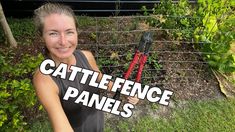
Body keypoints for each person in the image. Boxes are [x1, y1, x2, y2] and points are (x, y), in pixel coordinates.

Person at [32, 3, 139, 132]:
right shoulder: (44, 78)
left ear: (77, 32)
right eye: (53, 33)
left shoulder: (86, 56)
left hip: (98, 126)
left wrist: (124, 90)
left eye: (69, 32)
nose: (63, 41)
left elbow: (102, 81)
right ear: (42, 37)